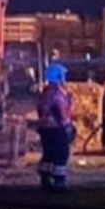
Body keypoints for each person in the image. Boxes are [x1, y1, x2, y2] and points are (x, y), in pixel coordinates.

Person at [36, 62, 74, 192]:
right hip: (58, 128)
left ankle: (45, 179)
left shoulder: (45, 93)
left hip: (45, 128)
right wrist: (68, 127)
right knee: (61, 154)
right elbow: (62, 112)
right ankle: (59, 182)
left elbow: (40, 110)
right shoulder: (58, 94)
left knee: (48, 154)